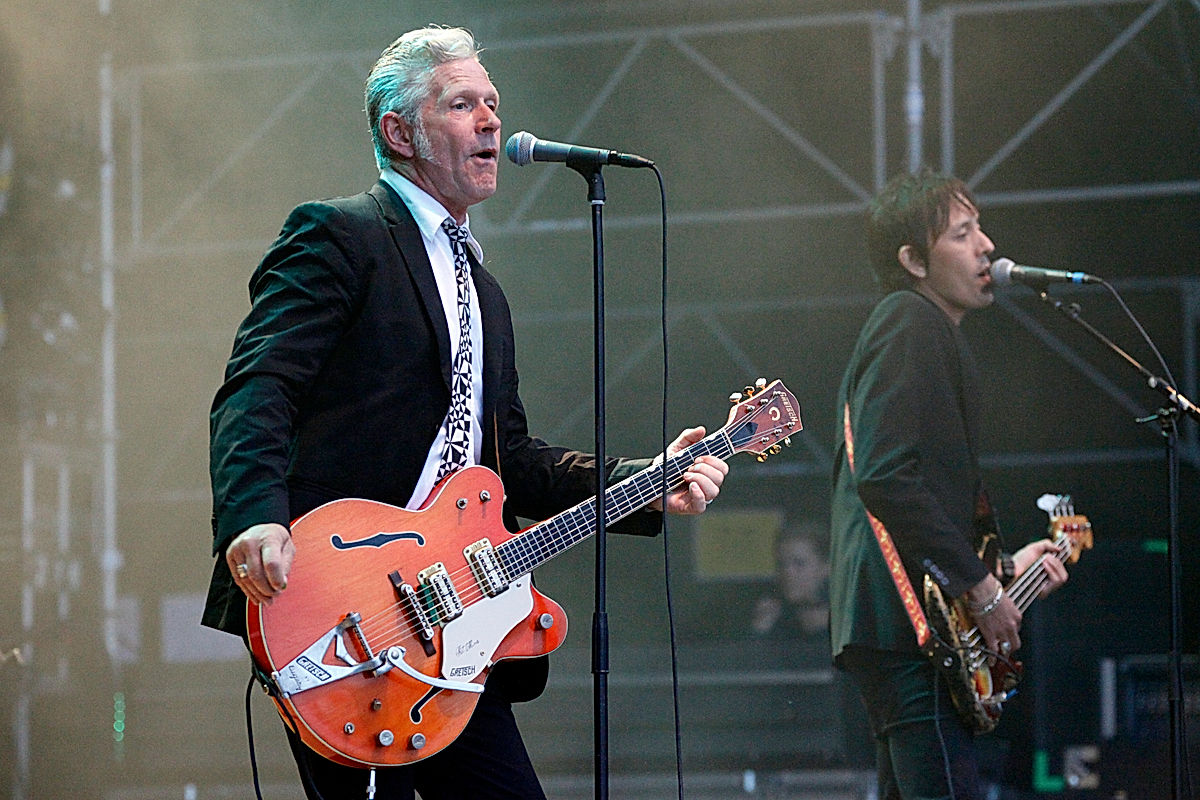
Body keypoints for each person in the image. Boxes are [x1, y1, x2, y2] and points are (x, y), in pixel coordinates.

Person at [202, 25, 728, 800]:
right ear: (399, 132)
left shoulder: (483, 289)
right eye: (462, 105)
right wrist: (254, 515)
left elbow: (508, 460)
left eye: (493, 103)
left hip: (450, 619)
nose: (490, 121)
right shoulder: (340, 235)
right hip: (340, 606)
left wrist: (645, 479)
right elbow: (258, 383)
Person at [828, 169, 1069, 800]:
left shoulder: (921, 328)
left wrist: (1005, 568)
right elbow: (884, 473)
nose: (987, 245)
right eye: (962, 234)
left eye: (978, 228)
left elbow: (914, 494)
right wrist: (983, 590)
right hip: (904, 628)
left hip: (901, 624)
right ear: (912, 259)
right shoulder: (908, 321)